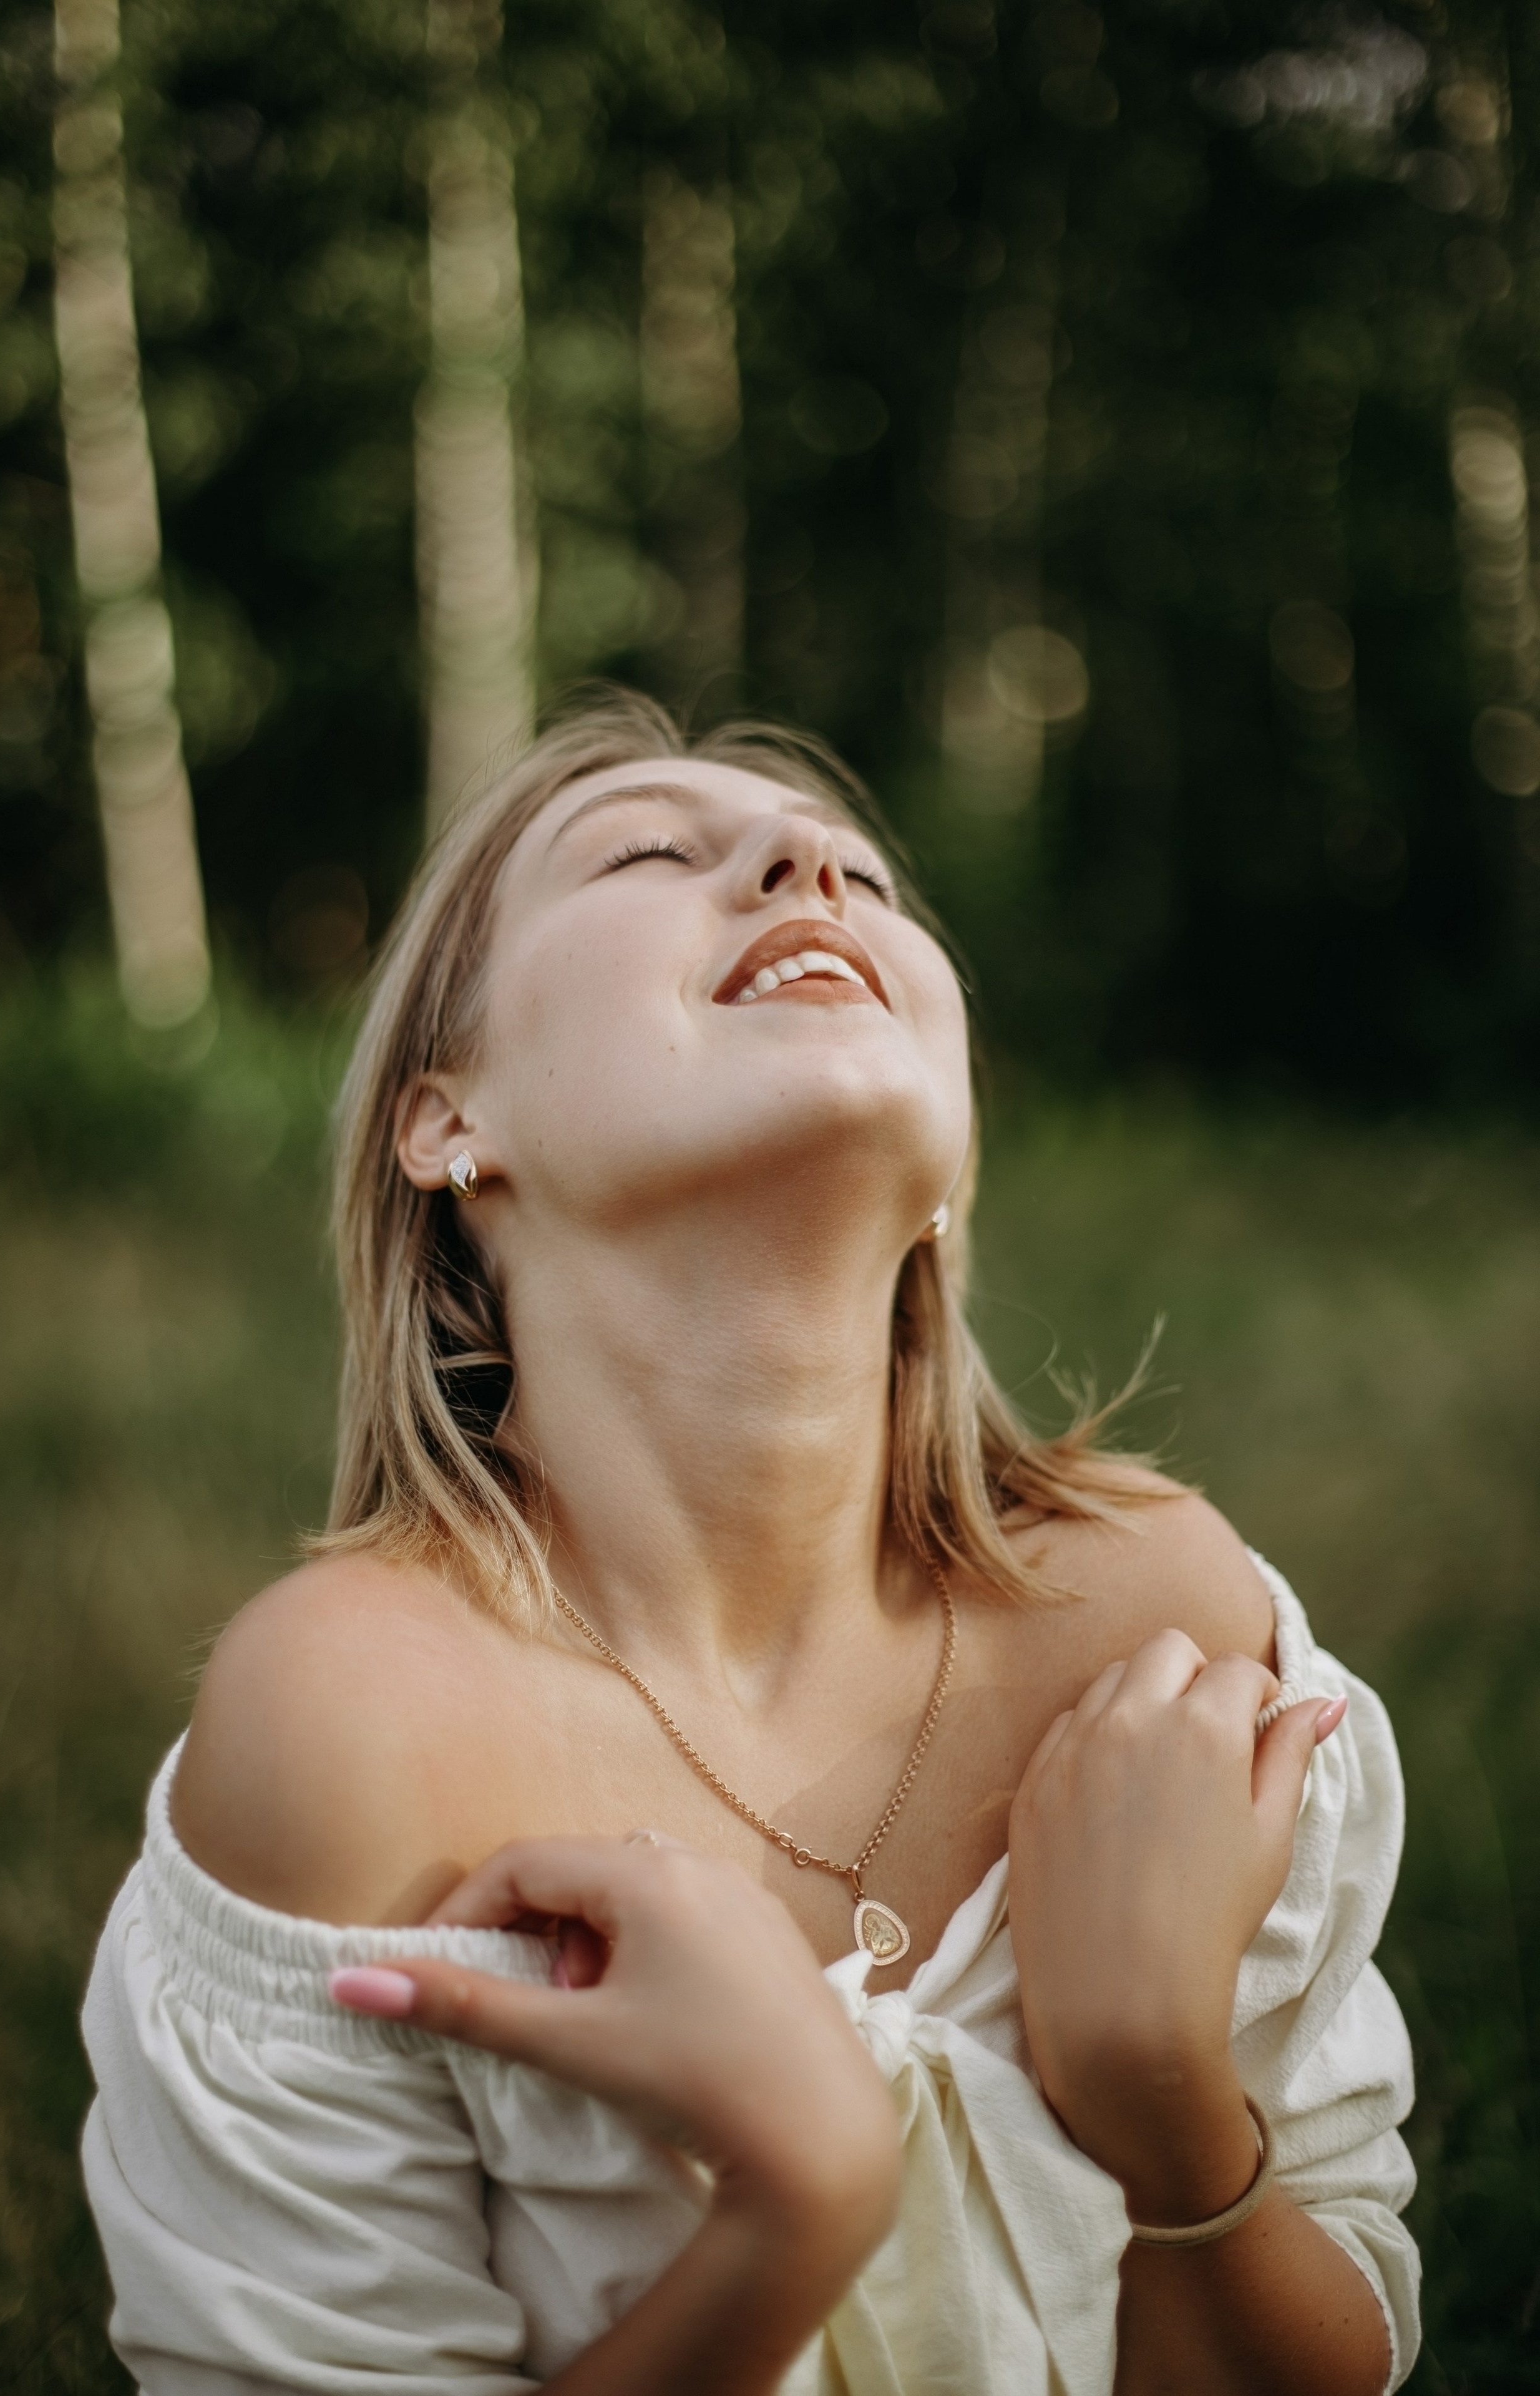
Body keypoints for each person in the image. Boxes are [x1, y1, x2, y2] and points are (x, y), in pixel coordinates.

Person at [80, 689, 1420, 2395]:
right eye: (647, 853)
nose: (809, 866)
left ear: (949, 1155)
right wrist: (797, 2208)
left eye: (863, 880)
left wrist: (1165, 2102)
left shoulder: (1169, 1624)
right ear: (446, 1122)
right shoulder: (351, 1731)